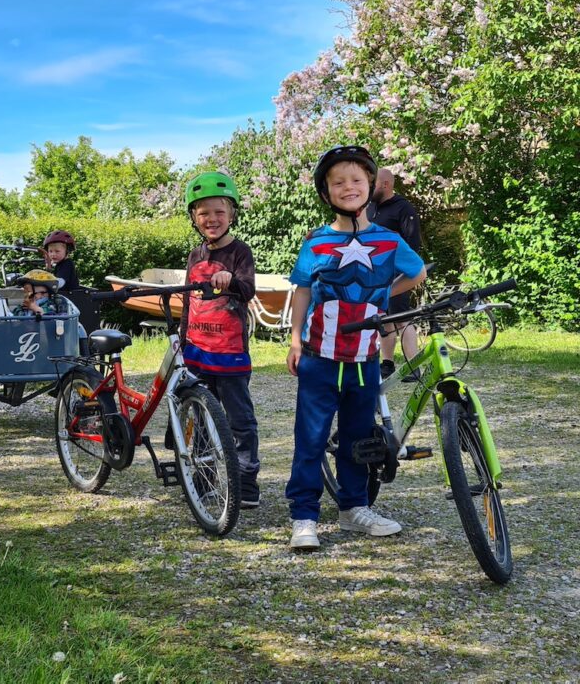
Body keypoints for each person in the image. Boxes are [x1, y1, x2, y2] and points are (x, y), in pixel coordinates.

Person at [286, 145, 426, 551]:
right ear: (327, 192)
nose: (348, 187)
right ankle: (304, 516)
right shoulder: (316, 242)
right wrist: (295, 339)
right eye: (338, 182)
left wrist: (384, 292)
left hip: (364, 358)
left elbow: (414, 273)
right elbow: (302, 291)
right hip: (319, 357)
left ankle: (352, 508)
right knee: (310, 438)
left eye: (356, 180)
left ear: (370, 186)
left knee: (356, 437)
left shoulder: (388, 239)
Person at [178, 172, 260, 508]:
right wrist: (182, 341)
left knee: (240, 422)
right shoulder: (195, 255)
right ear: (194, 218)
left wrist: (232, 279)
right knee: (199, 419)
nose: (211, 219)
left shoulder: (240, 252)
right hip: (198, 353)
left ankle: (245, 482)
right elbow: (188, 300)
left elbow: (248, 288)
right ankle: (204, 479)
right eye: (203, 213)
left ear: (232, 215)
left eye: (219, 212)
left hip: (230, 354)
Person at [368, 167, 424, 379]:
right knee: (384, 320)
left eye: (374, 184)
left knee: (403, 318)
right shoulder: (370, 208)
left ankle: (414, 366)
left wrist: (402, 272)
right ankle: (388, 364)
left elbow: (412, 245)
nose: (370, 187)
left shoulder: (403, 208)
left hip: (398, 275)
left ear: (386, 184)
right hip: (375, 276)